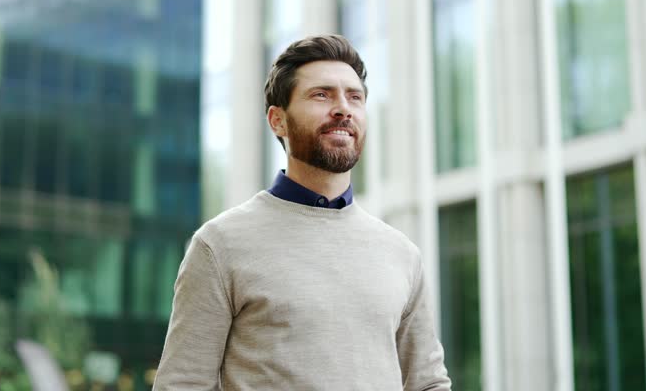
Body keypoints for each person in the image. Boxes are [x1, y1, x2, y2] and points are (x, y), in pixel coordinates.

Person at [152, 35, 452, 390]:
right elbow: (182, 384)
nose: (343, 108)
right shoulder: (220, 246)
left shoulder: (401, 253)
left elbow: (427, 383)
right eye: (322, 95)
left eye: (354, 97)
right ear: (277, 121)